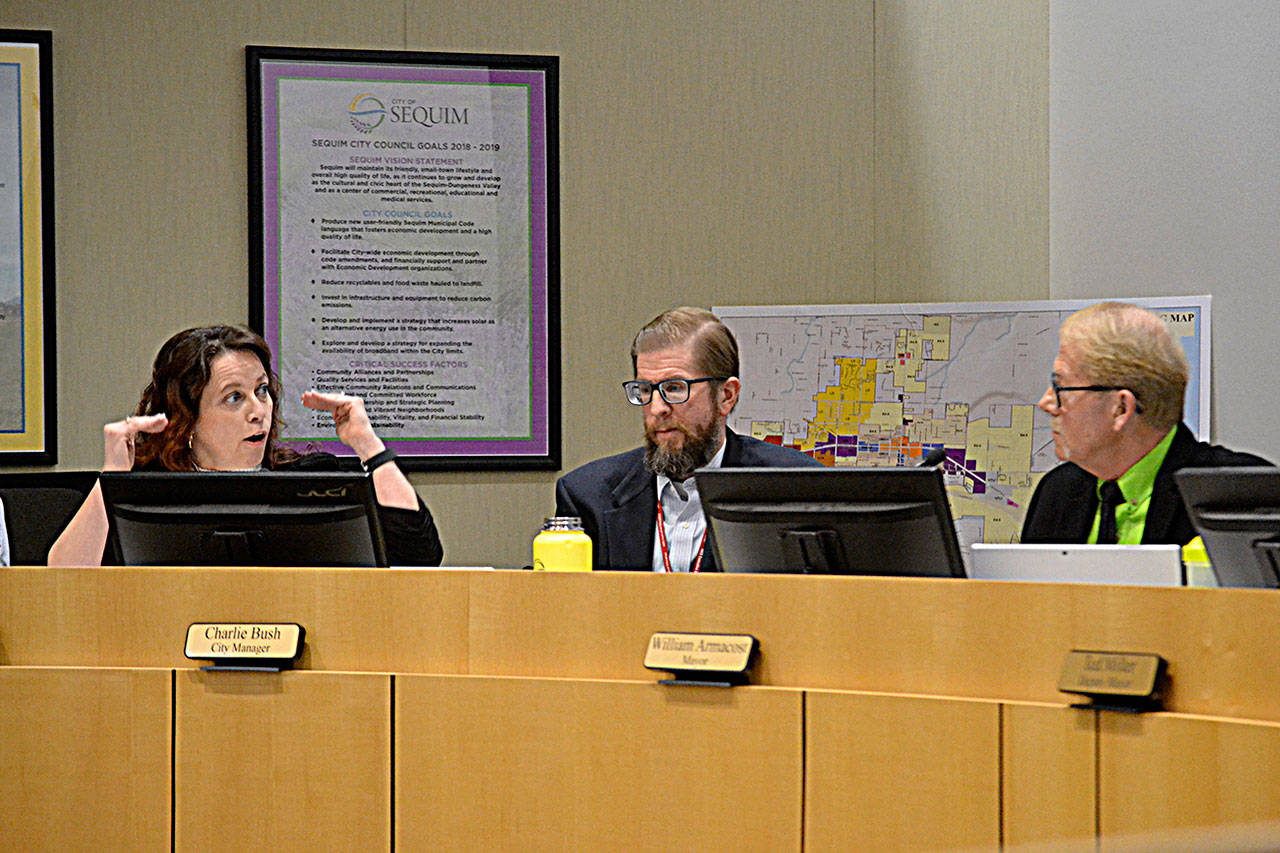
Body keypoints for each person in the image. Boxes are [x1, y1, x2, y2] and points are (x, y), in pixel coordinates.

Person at [47, 324, 443, 566]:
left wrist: (369, 446)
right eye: (234, 397)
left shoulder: (310, 477)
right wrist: (114, 476)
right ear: (188, 418)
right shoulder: (148, 490)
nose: (259, 412)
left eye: (262, 391)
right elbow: (64, 580)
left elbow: (420, 554)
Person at [555, 306, 821, 571]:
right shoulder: (588, 495)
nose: (657, 408)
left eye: (674, 388)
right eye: (645, 389)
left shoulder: (795, 489)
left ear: (726, 396)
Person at [1021, 301, 1269, 546]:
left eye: (1060, 387)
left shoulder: (1242, 494)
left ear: (1121, 408)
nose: (1046, 403)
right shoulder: (1058, 491)